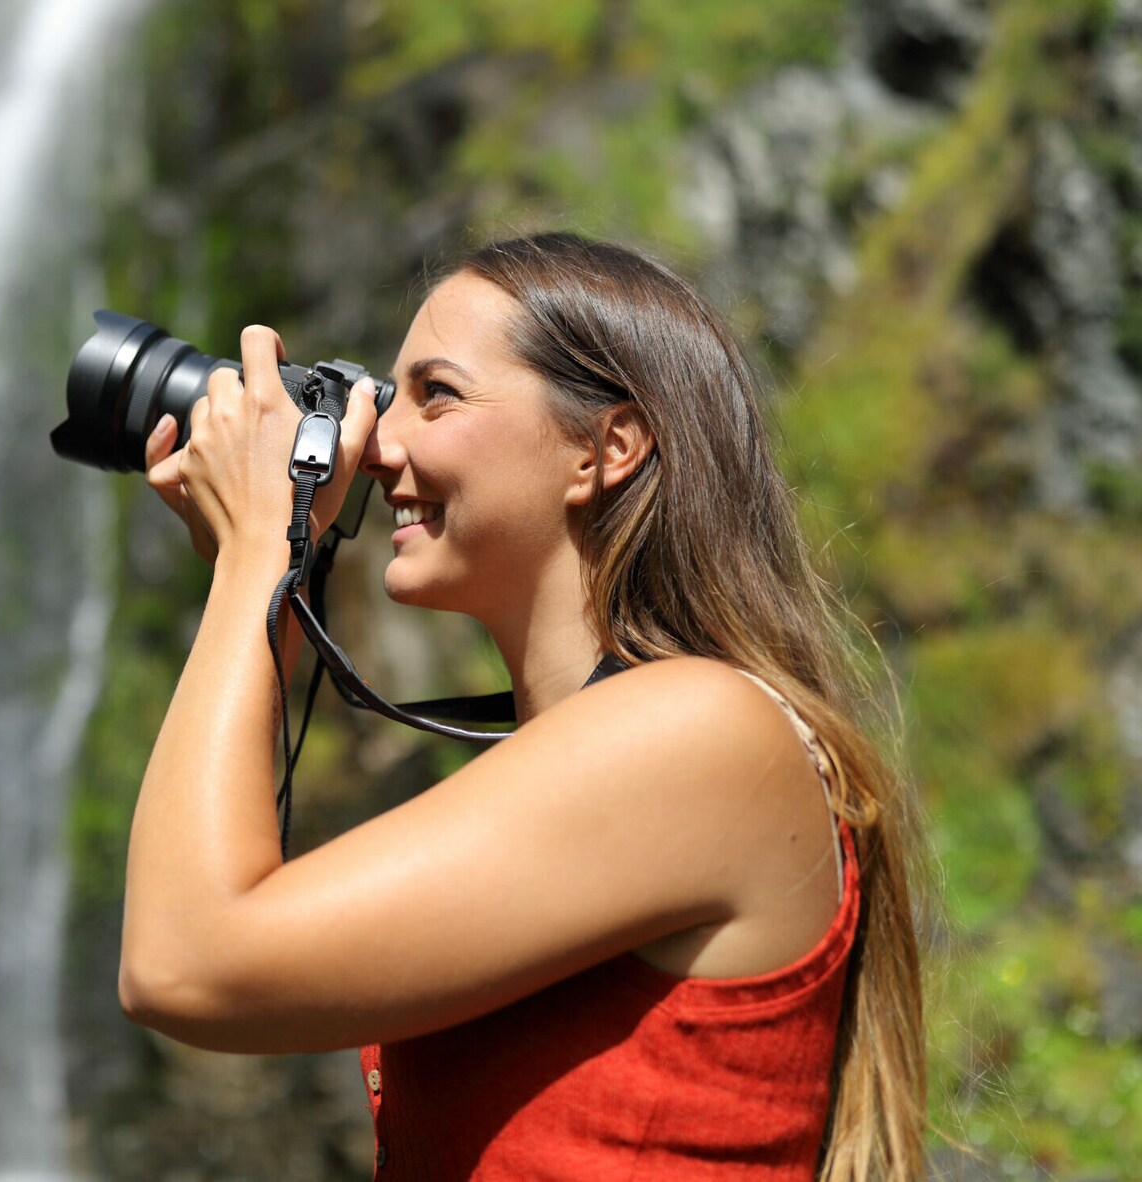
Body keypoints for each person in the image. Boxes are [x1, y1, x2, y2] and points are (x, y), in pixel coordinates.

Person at [118, 232, 927, 1181]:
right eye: (386, 395)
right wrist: (272, 573)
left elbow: (187, 961)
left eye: (438, 394)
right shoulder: (611, 750)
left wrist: (263, 545)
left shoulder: (698, 731)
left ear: (604, 447)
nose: (374, 445)